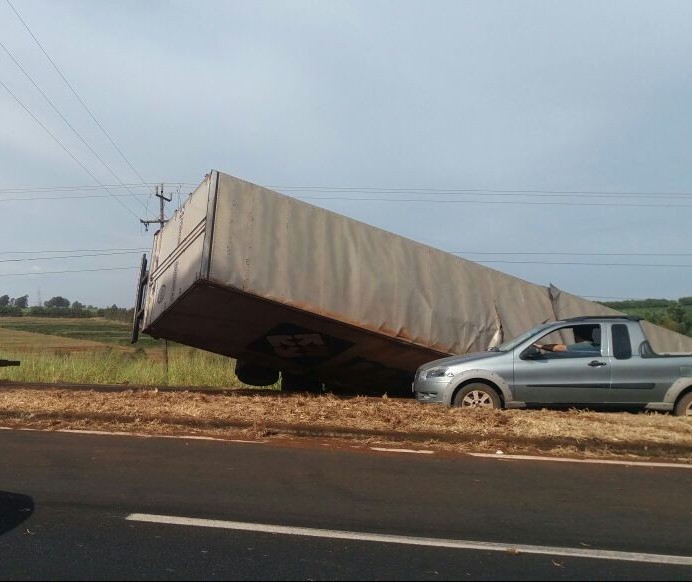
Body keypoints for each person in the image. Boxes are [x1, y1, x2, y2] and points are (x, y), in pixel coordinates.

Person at [534, 327, 600, 354]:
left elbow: (558, 348)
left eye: (574, 335)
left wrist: (539, 346)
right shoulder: (595, 345)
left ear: (577, 335)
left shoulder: (585, 345)